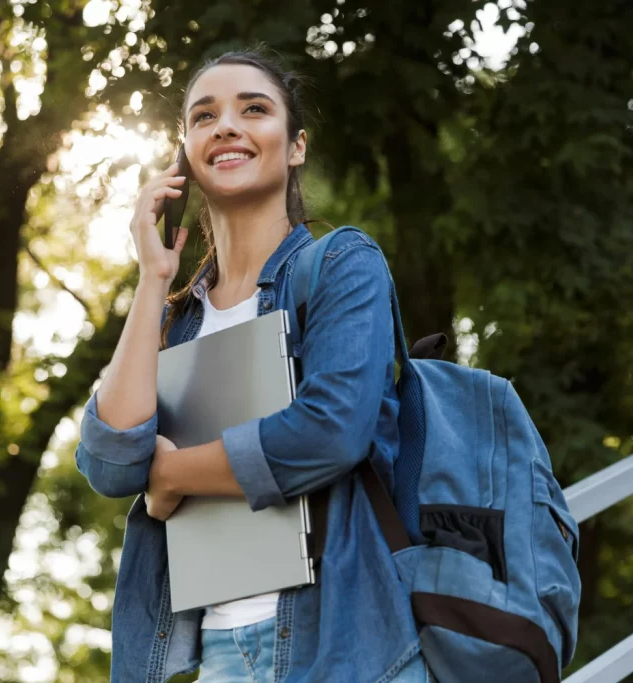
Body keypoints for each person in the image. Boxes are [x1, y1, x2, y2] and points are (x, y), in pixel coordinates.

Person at [74, 47, 433, 683]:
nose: (227, 126)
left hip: (345, 647)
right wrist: (155, 279)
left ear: (295, 146)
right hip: (216, 650)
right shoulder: (180, 316)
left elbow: (331, 431)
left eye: (255, 109)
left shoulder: (342, 265)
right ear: (184, 153)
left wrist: (174, 474)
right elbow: (110, 462)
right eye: (204, 116)